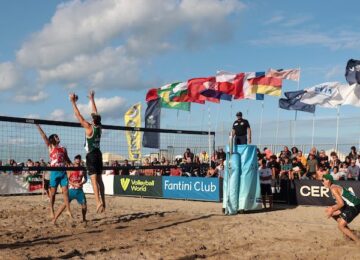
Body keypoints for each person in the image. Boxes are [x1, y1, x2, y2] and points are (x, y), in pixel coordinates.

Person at [69, 91, 105, 214]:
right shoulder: (99, 127)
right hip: (99, 153)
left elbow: (78, 115)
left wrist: (73, 102)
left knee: (94, 180)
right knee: (100, 180)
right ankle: (103, 202)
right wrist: (92, 99)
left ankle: (98, 202)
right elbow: (96, 113)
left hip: (91, 155)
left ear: (93, 120)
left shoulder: (89, 128)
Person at [36, 124, 72, 220]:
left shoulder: (63, 148)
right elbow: (44, 136)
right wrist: (37, 125)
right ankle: (51, 210)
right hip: (54, 172)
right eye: (56, 136)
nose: (58, 137)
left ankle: (68, 210)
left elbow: (67, 160)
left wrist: (72, 165)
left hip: (63, 171)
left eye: (58, 136)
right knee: (53, 194)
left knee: (66, 192)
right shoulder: (51, 146)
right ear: (52, 139)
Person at [322, 174, 360, 243]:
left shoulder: (333, 188)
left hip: (355, 205)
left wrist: (332, 209)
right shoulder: (334, 186)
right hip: (350, 205)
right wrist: (332, 208)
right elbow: (342, 203)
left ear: (328, 181)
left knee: (340, 226)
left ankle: (358, 241)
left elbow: (341, 204)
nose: (322, 182)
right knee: (334, 214)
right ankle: (348, 234)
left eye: (323, 180)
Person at [53, 155, 87, 224]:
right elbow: (67, 180)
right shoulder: (70, 168)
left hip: (79, 190)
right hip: (71, 190)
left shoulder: (83, 169)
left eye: (79, 159)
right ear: (74, 160)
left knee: (84, 205)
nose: (78, 160)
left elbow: (86, 179)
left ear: (80, 160)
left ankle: (84, 219)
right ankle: (54, 220)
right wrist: (74, 184)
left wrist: (82, 183)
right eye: (76, 159)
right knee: (64, 205)